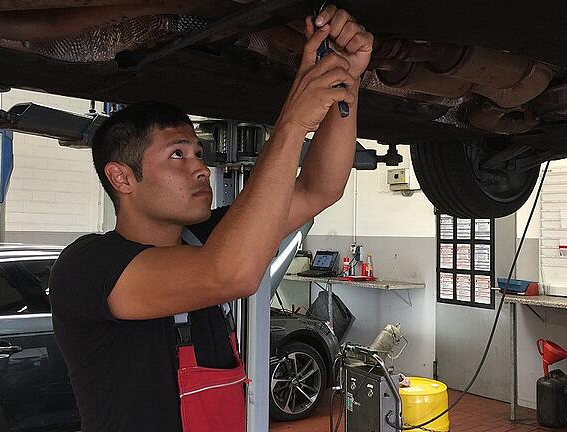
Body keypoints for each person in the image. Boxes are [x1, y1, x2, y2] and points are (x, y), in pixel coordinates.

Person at [49, 5, 373, 432]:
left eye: (198, 153)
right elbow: (229, 275)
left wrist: (344, 85)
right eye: (177, 154)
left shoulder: (208, 238)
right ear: (121, 177)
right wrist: (292, 121)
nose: (200, 168)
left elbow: (318, 187)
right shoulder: (88, 266)